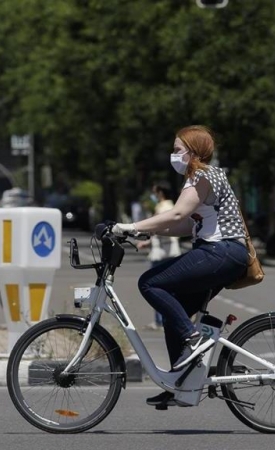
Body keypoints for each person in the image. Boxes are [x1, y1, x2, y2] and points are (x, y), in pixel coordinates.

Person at [105, 125, 249, 407]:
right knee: (175, 310)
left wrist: (129, 225)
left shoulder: (200, 175)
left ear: (193, 152)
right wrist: (145, 231)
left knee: (149, 283)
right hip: (226, 253)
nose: (173, 155)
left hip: (220, 251)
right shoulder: (210, 174)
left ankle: (192, 338)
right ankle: (179, 382)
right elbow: (184, 224)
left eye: (177, 150)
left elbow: (178, 212)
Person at [137, 181, 181, 330]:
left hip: (162, 252)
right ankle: (166, 319)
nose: (154, 196)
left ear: (160, 193)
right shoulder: (173, 206)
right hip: (170, 250)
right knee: (169, 286)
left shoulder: (163, 207)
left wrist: (145, 236)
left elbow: (159, 228)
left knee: (153, 285)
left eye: (155, 193)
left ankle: (161, 320)